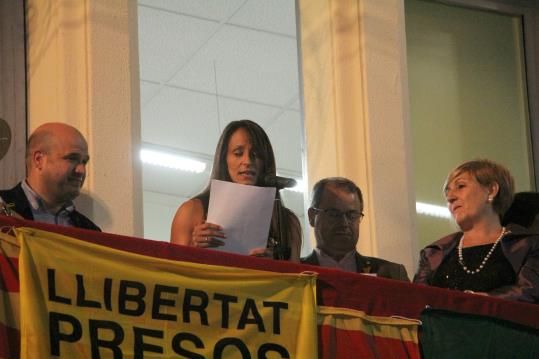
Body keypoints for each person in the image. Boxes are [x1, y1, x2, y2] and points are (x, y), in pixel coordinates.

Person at [170, 119, 302, 261]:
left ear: (265, 162)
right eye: (238, 153)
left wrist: (273, 266)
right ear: (224, 159)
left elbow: (297, 279)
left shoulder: (287, 222)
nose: (247, 161)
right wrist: (193, 247)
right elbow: (173, 273)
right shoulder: (191, 211)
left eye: (255, 155)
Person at [414, 159, 539, 303]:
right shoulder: (433, 253)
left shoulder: (529, 245)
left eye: (460, 186)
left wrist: (480, 302)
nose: (450, 197)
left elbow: (530, 294)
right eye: (447, 192)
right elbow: (415, 302)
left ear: (491, 190)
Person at [301, 177, 409, 281]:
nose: (344, 223)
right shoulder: (295, 273)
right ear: (312, 216)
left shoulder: (392, 274)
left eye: (352, 215)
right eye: (333, 214)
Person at [0, 122, 100, 231]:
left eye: (84, 162)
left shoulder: (91, 231)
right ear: (39, 160)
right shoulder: (2, 207)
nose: (82, 170)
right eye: (72, 158)